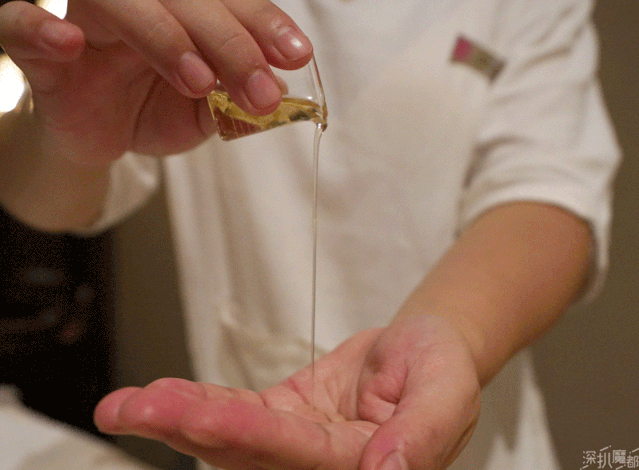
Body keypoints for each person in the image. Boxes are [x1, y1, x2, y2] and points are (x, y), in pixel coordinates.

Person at [0, 0, 620, 469]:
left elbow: (550, 189)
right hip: (248, 426)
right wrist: (70, 131)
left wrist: (449, 337)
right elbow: (48, 200)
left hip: (477, 439)